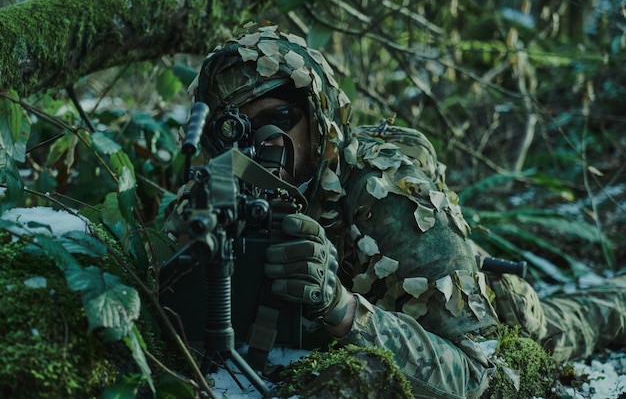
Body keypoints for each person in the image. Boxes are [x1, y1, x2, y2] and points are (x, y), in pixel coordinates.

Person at [162, 24, 626, 398]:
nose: (262, 145)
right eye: (237, 128)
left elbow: (486, 374)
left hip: (484, 311)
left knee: (583, 319)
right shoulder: (217, 195)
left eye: (279, 120)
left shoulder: (388, 196)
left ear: (318, 114)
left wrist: (343, 309)